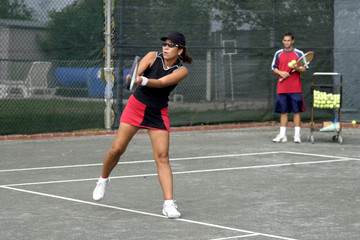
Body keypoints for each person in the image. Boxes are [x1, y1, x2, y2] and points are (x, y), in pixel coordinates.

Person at [92, 32, 193, 219]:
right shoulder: (152, 56)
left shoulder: (182, 70)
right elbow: (134, 76)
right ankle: (103, 179)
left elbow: (162, 83)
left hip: (158, 113)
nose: (166, 47)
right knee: (116, 149)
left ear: (180, 50)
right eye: (165, 43)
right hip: (136, 106)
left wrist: (142, 80)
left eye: (171, 45)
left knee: (162, 157)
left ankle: (168, 204)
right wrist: (133, 77)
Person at [271, 32, 307, 143]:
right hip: (282, 88)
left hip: (295, 88)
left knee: (296, 112)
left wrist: (297, 68)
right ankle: (282, 135)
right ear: (283, 41)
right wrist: (281, 73)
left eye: (289, 40)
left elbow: (304, 69)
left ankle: (297, 135)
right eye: (285, 40)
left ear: (292, 41)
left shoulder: (299, 53)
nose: (287, 42)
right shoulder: (278, 53)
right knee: (283, 112)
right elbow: (273, 68)